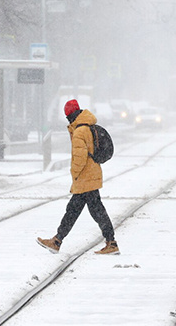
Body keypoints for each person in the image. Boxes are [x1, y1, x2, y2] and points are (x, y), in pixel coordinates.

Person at [38, 99, 119, 255]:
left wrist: (74, 173)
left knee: (91, 211)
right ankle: (57, 240)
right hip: (90, 174)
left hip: (85, 176)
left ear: (69, 116)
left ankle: (111, 242)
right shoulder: (86, 126)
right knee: (77, 210)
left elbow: (79, 158)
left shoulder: (79, 132)